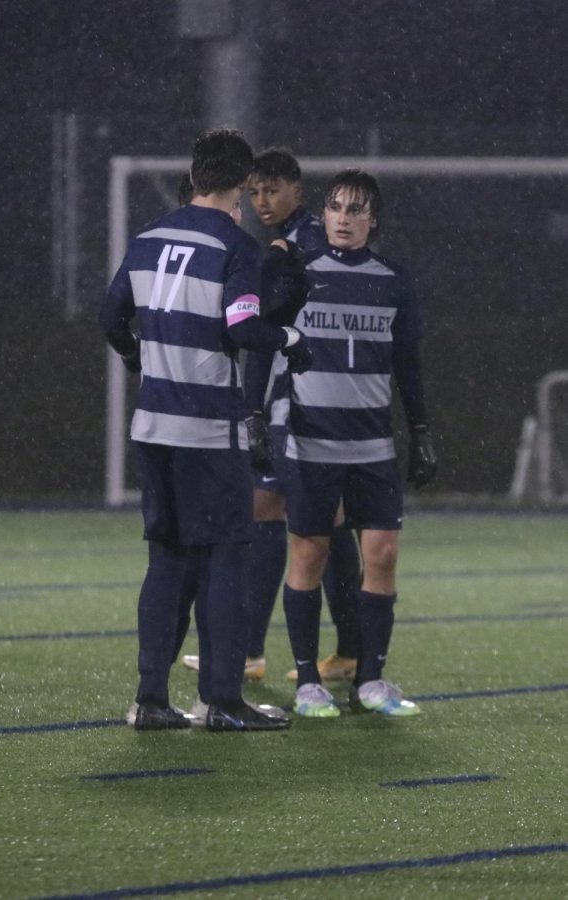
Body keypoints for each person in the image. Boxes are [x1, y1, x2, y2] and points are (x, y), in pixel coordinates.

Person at [99, 127, 312, 732]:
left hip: (152, 424)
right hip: (206, 428)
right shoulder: (237, 246)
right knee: (226, 556)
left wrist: (140, 357)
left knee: (166, 558)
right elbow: (244, 328)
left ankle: (149, 699)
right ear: (244, 184)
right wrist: (292, 340)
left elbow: (112, 317)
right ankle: (220, 699)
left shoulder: (147, 238)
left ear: (193, 177)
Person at [185, 149, 363, 684]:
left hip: (310, 399)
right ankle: (259, 650)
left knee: (311, 520)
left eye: (271, 189)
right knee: (279, 511)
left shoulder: (306, 239)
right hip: (296, 400)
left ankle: (339, 648)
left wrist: (255, 405)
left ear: (297, 190)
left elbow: (273, 327)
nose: (261, 201)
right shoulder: (287, 242)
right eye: (253, 191)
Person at [282, 168, 437, 718]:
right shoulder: (298, 271)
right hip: (312, 443)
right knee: (310, 554)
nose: (344, 219)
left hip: (372, 445)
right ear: (322, 215)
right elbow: (261, 349)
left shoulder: (393, 278)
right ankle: (306, 683)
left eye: (356, 209)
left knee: (384, 555)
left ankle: (371, 680)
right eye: (336, 208)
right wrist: (258, 418)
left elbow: (408, 365)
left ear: (374, 219)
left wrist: (419, 430)